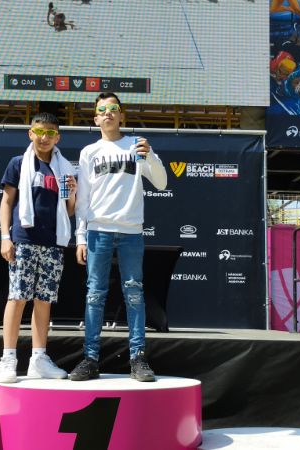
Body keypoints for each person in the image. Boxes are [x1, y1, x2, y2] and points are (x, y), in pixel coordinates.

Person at [70, 93, 168, 382]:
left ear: (122, 115)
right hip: (97, 231)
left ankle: (138, 358)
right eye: (102, 110)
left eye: (114, 108)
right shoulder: (89, 152)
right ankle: (90, 359)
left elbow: (161, 183)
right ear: (95, 118)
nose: (108, 113)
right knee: (94, 295)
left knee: (134, 294)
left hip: (131, 232)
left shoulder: (137, 145)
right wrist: (80, 237)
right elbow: (83, 198)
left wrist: (151, 156)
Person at [0, 112, 77, 383]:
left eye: (50, 133)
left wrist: (73, 194)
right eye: (39, 132)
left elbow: (69, 210)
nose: (44, 137)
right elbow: (7, 202)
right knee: (18, 297)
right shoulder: (18, 163)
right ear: (30, 133)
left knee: (44, 300)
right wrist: (5, 237)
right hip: (24, 239)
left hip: (53, 241)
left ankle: (39, 359)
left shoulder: (64, 169)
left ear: (58, 137)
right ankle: (8, 358)